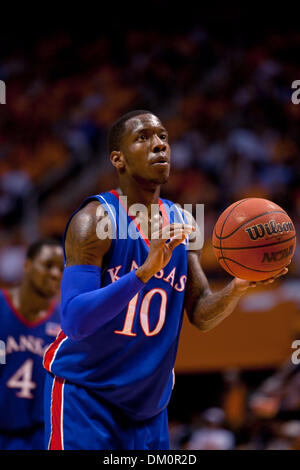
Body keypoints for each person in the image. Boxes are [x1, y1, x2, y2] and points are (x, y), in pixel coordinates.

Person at [43, 110, 288, 450]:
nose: (159, 144)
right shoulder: (93, 221)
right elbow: (75, 320)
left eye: (163, 137)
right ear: (119, 159)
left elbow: (200, 314)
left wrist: (236, 288)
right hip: (87, 398)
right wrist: (143, 272)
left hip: (149, 409)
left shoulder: (182, 221)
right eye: (143, 138)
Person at [0, 238, 63, 450]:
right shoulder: (2, 308)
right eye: (48, 265)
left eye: (61, 269)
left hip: (37, 435)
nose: (55, 274)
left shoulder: (64, 324)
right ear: (27, 265)